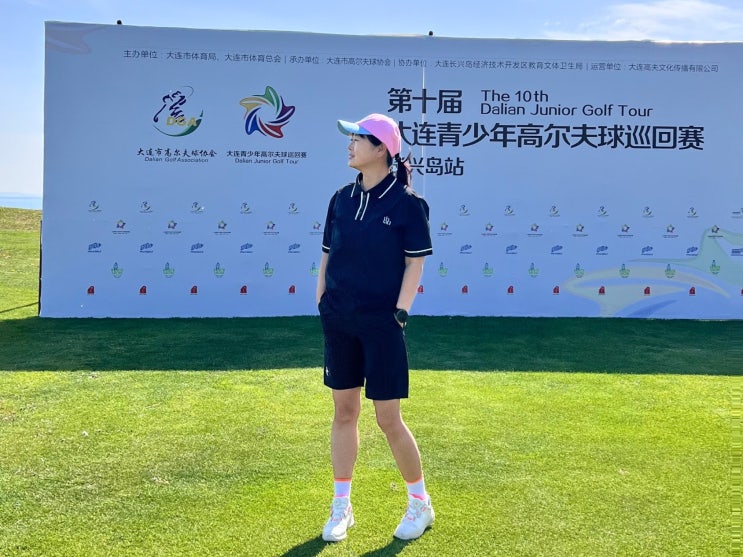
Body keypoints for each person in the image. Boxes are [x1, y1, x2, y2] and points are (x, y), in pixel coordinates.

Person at [316, 113, 434, 542]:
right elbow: (327, 254)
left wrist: (400, 313)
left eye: (358, 139)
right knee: (344, 413)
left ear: (381, 148)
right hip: (339, 320)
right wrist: (322, 300)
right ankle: (341, 506)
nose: (350, 146)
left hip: (382, 324)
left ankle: (420, 503)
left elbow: (414, 263)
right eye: (350, 138)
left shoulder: (407, 204)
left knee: (388, 419)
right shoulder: (340, 199)